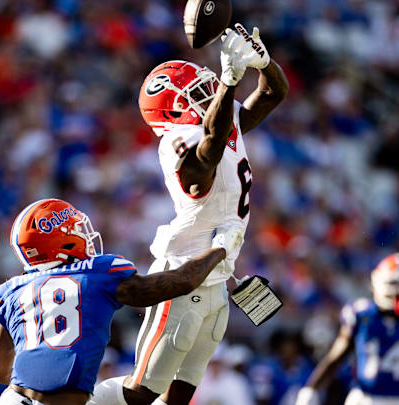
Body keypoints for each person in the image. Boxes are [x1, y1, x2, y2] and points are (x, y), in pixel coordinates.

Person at [92, 22, 289, 405]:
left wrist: (262, 62)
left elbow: (272, 94)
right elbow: (208, 156)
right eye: (197, 94)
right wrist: (231, 81)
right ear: (173, 110)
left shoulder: (218, 122)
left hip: (218, 279)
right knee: (140, 393)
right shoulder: (176, 142)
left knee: (178, 398)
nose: (210, 95)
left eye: (208, 88)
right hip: (183, 275)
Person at [0, 198, 230, 405]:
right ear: (62, 241)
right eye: (77, 230)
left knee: (135, 393)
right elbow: (183, 282)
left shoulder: (10, 291)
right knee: (141, 391)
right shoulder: (96, 274)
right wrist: (221, 250)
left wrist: (40, 380)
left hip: (13, 399)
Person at [296, 253, 399, 405]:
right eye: (393, 284)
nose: (398, 292)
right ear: (378, 282)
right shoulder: (362, 316)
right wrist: (311, 389)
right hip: (364, 399)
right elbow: (336, 358)